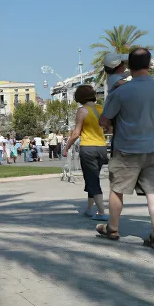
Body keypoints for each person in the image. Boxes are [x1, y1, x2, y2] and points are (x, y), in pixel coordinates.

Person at [98, 48, 154, 249]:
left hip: (126, 149)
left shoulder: (121, 91)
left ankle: (113, 229)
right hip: (153, 148)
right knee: (153, 192)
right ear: (149, 64)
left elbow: (104, 120)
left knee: (117, 189)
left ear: (129, 65)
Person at [63, 85, 109, 221]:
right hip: (101, 147)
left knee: (92, 180)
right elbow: (107, 128)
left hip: (88, 148)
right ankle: (89, 209)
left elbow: (76, 133)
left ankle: (101, 212)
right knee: (92, 178)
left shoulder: (82, 111)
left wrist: (66, 147)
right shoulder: (101, 109)